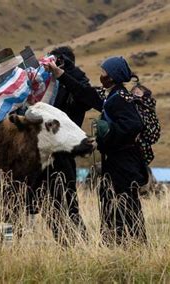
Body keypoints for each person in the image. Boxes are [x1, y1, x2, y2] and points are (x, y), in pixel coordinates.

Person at [44, 56, 149, 246]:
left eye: (104, 72)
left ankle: (137, 245)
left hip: (125, 161)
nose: (101, 76)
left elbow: (135, 125)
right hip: (115, 159)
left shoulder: (121, 99)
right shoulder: (111, 95)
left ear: (112, 77)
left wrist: (109, 132)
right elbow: (85, 93)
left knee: (127, 203)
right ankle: (113, 243)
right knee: (109, 199)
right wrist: (59, 74)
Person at [31, 46, 94, 246]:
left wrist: (67, 71)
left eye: (59, 60)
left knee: (68, 202)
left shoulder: (75, 85)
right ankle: (64, 244)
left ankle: (79, 243)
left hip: (63, 153)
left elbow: (87, 99)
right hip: (42, 154)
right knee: (46, 203)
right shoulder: (46, 84)